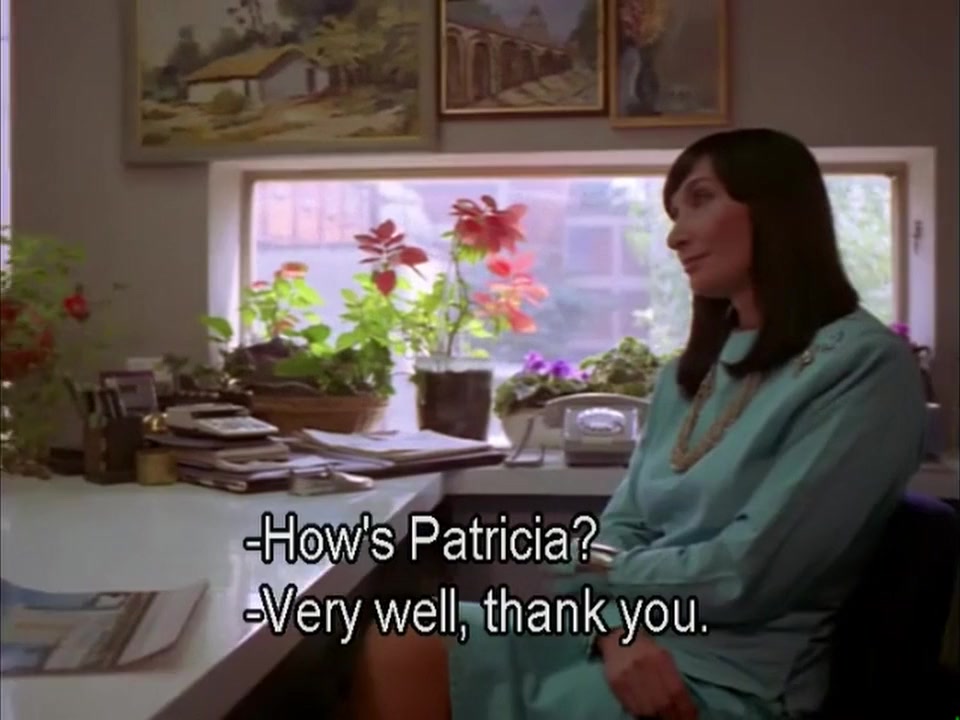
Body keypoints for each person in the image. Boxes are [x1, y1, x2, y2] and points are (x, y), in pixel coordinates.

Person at [349, 128, 927, 719]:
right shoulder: (687, 376)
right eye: (674, 214)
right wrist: (616, 629)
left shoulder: (862, 367)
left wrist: (601, 575)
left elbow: (747, 573)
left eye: (701, 200)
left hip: (724, 672)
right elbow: (616, 529)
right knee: (402, 639)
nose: (676, 235)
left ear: (776, 208)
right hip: (626, 628)